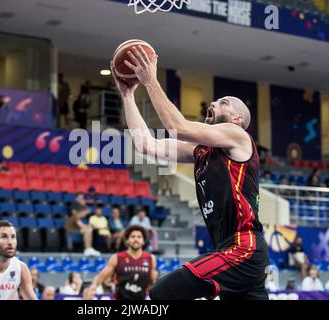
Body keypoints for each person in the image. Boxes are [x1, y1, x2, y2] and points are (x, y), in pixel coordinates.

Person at [113, 46, 269, 300]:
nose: (214, 104)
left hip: (243, 249)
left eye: (223, 103)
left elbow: (177, 126)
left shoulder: (238, 136)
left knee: (163, 293)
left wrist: (150, 80)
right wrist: (128, 95)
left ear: (237, 119)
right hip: (235, 253)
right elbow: (146, 145)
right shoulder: (201, 152)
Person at [90, 225, 157, 300]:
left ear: (143, 241)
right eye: (133, 236)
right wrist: (93, 286)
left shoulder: (150, 259)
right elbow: (101, 277)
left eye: (139, 237)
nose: (136, 239)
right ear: (127, 240)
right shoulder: (117, 258)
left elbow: (153, 282)